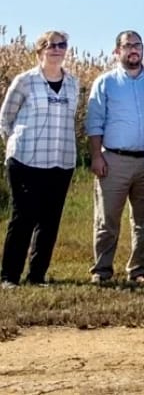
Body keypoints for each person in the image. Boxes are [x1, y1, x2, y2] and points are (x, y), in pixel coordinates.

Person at [84, 30, 144, 284]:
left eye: (137, 45)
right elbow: (94, 121)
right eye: (128, 45)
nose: (133, 50)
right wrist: (96, 156)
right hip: (114, 160)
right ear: (117, 51)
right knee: (107, 218)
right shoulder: (106, 82)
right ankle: (102, 270)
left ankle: (139, 269)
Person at [0, 31, 80, 288]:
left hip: (60, 159)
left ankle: (37, 276)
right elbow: (5, 118)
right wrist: (15, 144)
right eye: (50, 45)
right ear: (39, 51)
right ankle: (9, 276)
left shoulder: (73, 84)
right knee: (23, 217)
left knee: (50, 219)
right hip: (25, 159)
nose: (56, 49)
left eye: (61, 45)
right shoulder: (25, 81)